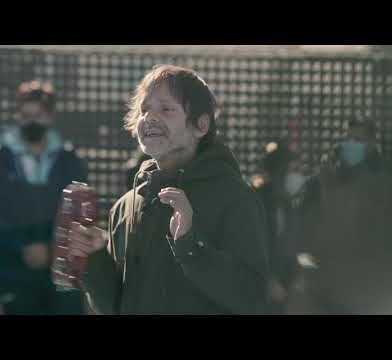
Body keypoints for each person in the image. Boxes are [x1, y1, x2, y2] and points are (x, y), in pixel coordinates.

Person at [67, 65, 269, 315]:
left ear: (201, 125)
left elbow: (253, 298)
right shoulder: (124, 207)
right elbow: (115, 308)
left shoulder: (235, 198)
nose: (150, 117)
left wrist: (189, 246)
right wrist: (95, 260)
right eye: (145, 109)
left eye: (166, 109)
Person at [0, 80, 88, 315]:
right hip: (14, 269)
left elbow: (79, 211)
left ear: (50, 117)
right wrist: (23, 246)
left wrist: (50, 248)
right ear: (18, 116)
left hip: (61, 271)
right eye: (26, 115)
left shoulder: (68, 161)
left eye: (38, 115)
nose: (32, 122)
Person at [286, 118, 392, 314]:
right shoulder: (324, 181)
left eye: (358, 140)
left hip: (372, 290)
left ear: (372, 143)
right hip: (330, 289)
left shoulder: (384, 184)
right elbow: (304, 231)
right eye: (349, 139)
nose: (352, 145)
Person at [252, 141, 306, 314]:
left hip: (287, 283)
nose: (295, 173)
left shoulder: (289, 201)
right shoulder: (257, 199)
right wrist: (268, 279)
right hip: (264, 286)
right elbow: (252, 243)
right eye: (291, 168)